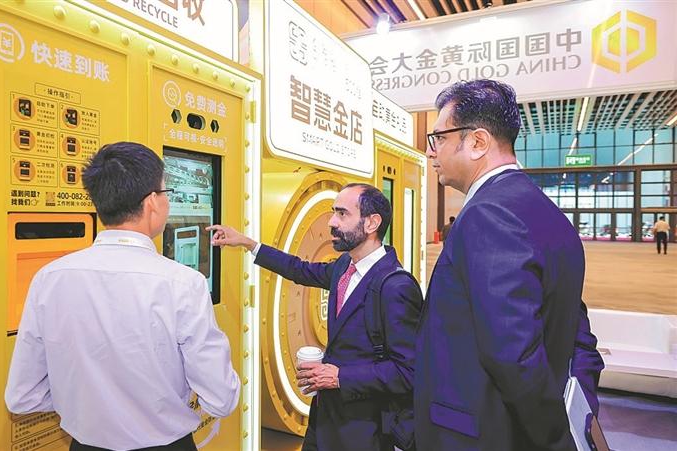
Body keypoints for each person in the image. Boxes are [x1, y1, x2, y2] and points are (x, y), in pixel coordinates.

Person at [5, 142, 239, 451]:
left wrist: (86, 405)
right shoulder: (184, 284)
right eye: (166, 193)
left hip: (84, 445)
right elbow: (221, 398)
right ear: (152, 202)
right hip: (167, 445)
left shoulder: (49, 278)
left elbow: (22, 396)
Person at [416, 80, 603, 450]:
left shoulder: (488, 214)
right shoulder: (545, 212)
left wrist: (556, 437)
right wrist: (575, 413)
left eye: (438, 138)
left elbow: (513, 355)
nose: (430, 151)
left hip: (480, 435)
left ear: (478, 142)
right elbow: (575, 328)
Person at [208, 183, 423, 451]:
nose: (332, 222)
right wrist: (249, 244)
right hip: (326, 419)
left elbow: (408, 371)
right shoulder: (345, 266)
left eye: (342, 214)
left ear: (372, 223)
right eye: (334, 212)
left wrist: (340, 377)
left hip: (365, 431)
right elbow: (300, 270)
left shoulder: (396, 287)